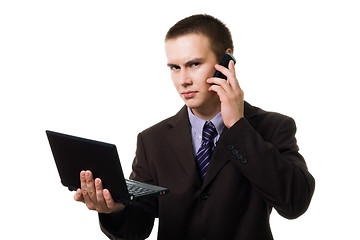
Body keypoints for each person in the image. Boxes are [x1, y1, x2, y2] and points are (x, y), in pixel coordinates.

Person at [74, 14, 315, 240]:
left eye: (194, 64)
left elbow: (295, 202)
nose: (183, 80)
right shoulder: (152, 140)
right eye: (174, 67)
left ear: (226, 60)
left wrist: (237, 126)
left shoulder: (272, 127)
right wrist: (113, 209)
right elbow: (140, 224)